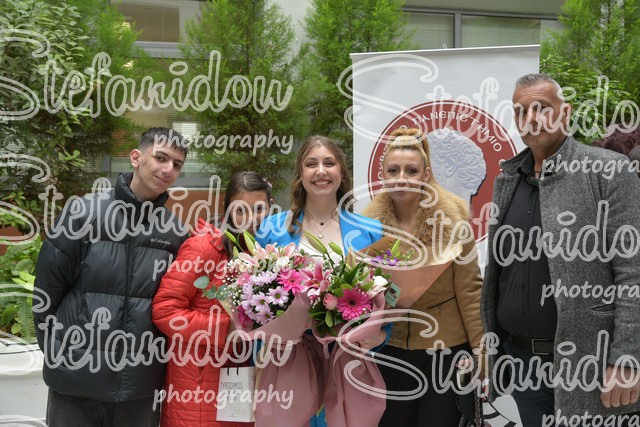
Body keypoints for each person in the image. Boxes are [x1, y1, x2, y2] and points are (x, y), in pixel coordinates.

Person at [481, 73, 640, 426]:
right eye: (520, 111)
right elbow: (499, 275)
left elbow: (634, 272)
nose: (530, 118)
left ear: (565, 113)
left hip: (591, 367)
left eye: (541, 108)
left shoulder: (608, 171)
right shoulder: (508, 179)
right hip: (519, 365)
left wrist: (627, 358)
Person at [33, 127, 189, 426]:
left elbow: (174, 307)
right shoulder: (82, 214)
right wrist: (57, 350)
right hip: (75, 382)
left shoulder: (175, 232)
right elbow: (46, 292)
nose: (168, 169)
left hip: (138, 387)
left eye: (177, 164)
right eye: (161, 158)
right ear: (136, 158)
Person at [255, 135, 386, 427]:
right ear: (300, 173)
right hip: (289, 363)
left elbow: (385, 295)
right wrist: (266, 343)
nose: (321, 171)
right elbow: (255, 301)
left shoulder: (370, 230)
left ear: (341, 171)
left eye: (329, 163)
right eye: (311, 164)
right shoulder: (272, 228)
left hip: (349, 360)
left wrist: (379, 335)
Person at [362, 127, 484, 426]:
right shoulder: (367, 227)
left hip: (446, 352)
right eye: (393, 170)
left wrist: (483, 352)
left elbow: (470, 292)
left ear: (426, 174)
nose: (401, 178)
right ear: (382, 174)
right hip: (389, 351)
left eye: (411, 170)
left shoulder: (453, 222)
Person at [152, 171, 272, 427]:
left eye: (259, 209)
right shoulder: (204, 247)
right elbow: (165, 311)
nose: (252, 219)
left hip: (241, 376)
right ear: (228, 210)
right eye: (241, 210)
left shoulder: (264, 254)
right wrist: (224, 329)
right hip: (197, 382)